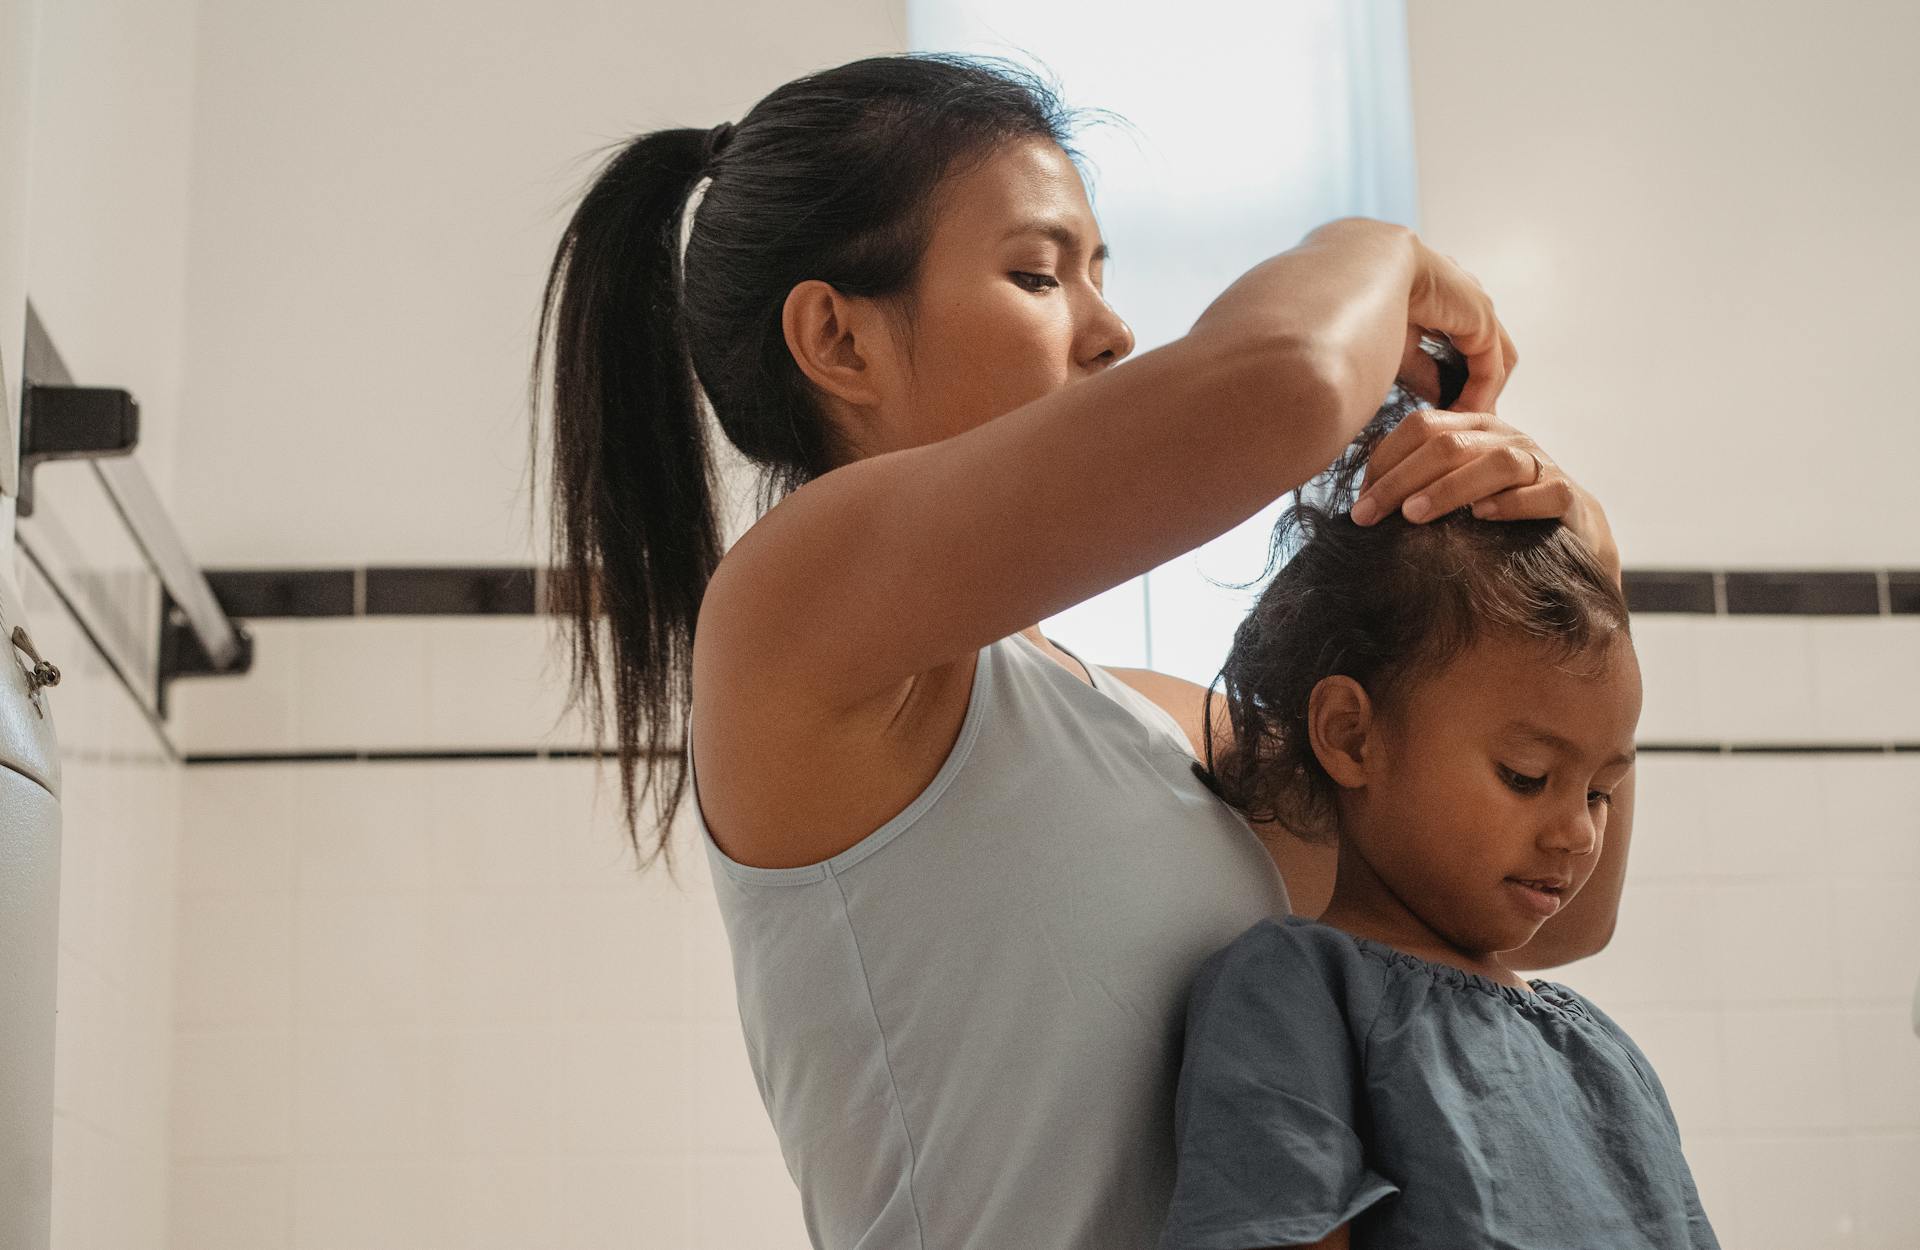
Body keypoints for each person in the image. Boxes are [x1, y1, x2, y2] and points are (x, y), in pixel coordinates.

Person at [529, 51, 1630, 1250]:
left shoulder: (1151, 724)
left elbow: (1536, 907)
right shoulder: (790, 611)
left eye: (1101, 272)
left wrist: (1587, 558)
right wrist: (1382, 247)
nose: (1112, 330)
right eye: (1039, 274)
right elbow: (1285, 383)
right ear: (836, 339)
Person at [1157, 418, 1715, 1249]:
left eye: (1600, 792)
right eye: (1526, 776)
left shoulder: (1604, 1053)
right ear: (1352, 736)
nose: (1576, 835)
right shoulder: (1296, 993)